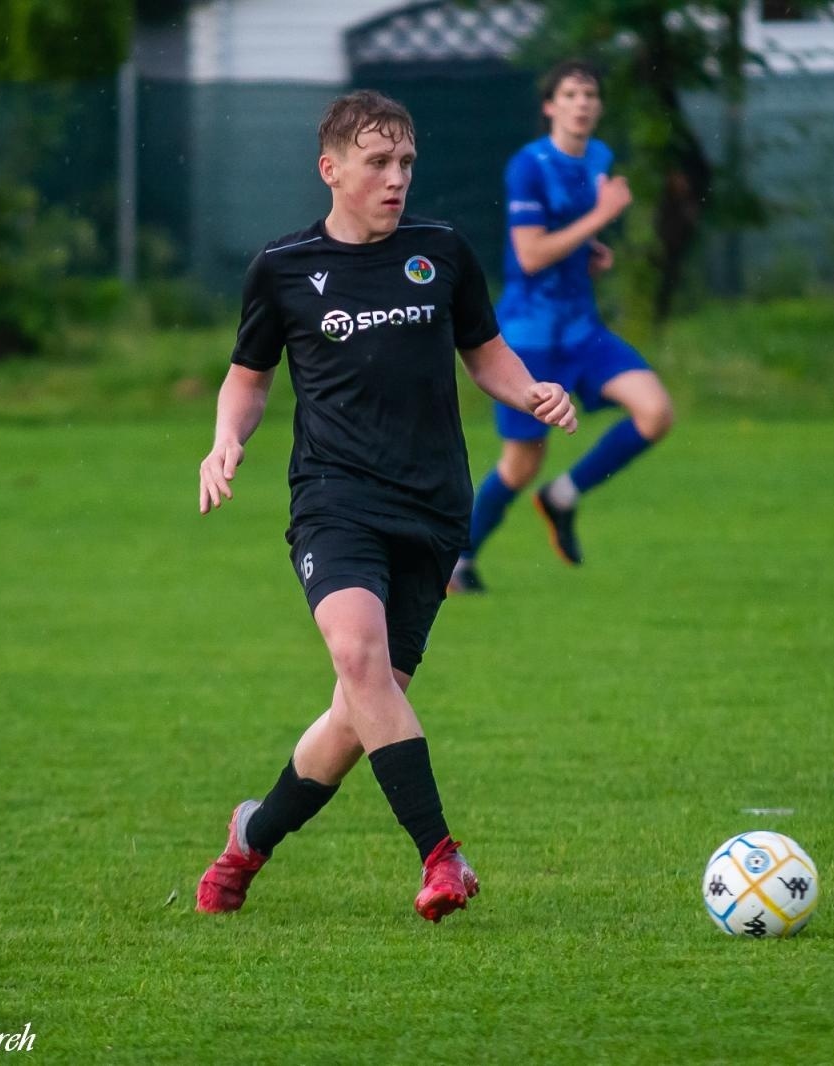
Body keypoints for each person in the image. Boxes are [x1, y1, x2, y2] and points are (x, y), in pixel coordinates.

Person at [193, 90, 578, 922]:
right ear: (331, 170)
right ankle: (443, 857)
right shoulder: (284, 266)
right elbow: (248, 378)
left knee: (358, 711)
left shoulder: (440, 251)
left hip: (437, 507)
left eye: (405, 162)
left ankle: (250, 838)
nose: (396, 177)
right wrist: (228, 440)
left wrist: (533, 390)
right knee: (361, 660)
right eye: (378, 162)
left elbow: (487, 352)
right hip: (335, 499)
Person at [447, 60, 674, 594]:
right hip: (530, 338)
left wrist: (587, 251)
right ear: (550, 106)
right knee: (521, 464)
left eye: (591, 94)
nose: (583, 103)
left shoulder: (598, 157)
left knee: (656, 411)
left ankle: (564, 496)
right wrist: (600, 219)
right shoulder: (528, 165)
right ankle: (458, 558)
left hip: (583, 331)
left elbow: (560, 238)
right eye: (570, 94)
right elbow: (528, 255)